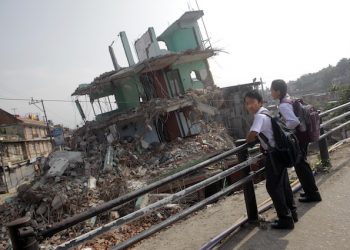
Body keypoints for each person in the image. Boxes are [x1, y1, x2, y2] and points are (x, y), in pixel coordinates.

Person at [245, 90, 296, 229]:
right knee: (284, 184)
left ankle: (285, 219)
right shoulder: (267, 112)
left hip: (273, 155)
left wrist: (247, 139)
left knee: (273, 187)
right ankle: (292, 212)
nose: (249, 106)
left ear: (260, 102)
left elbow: (253, 134)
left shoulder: (259, 117)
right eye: (247, 103)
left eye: (252, 103)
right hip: (280, 152)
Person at [271, 79, 322, 203]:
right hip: (303, 135)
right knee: (302, 164)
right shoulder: (289, 99)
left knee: (301, 166)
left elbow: (293, 121)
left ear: (278, 91)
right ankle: (311, 191)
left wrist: (283, 130)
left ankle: (313, 194)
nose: (271, 93)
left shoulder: (283, 105)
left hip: (298, 138)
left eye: (272, 90)